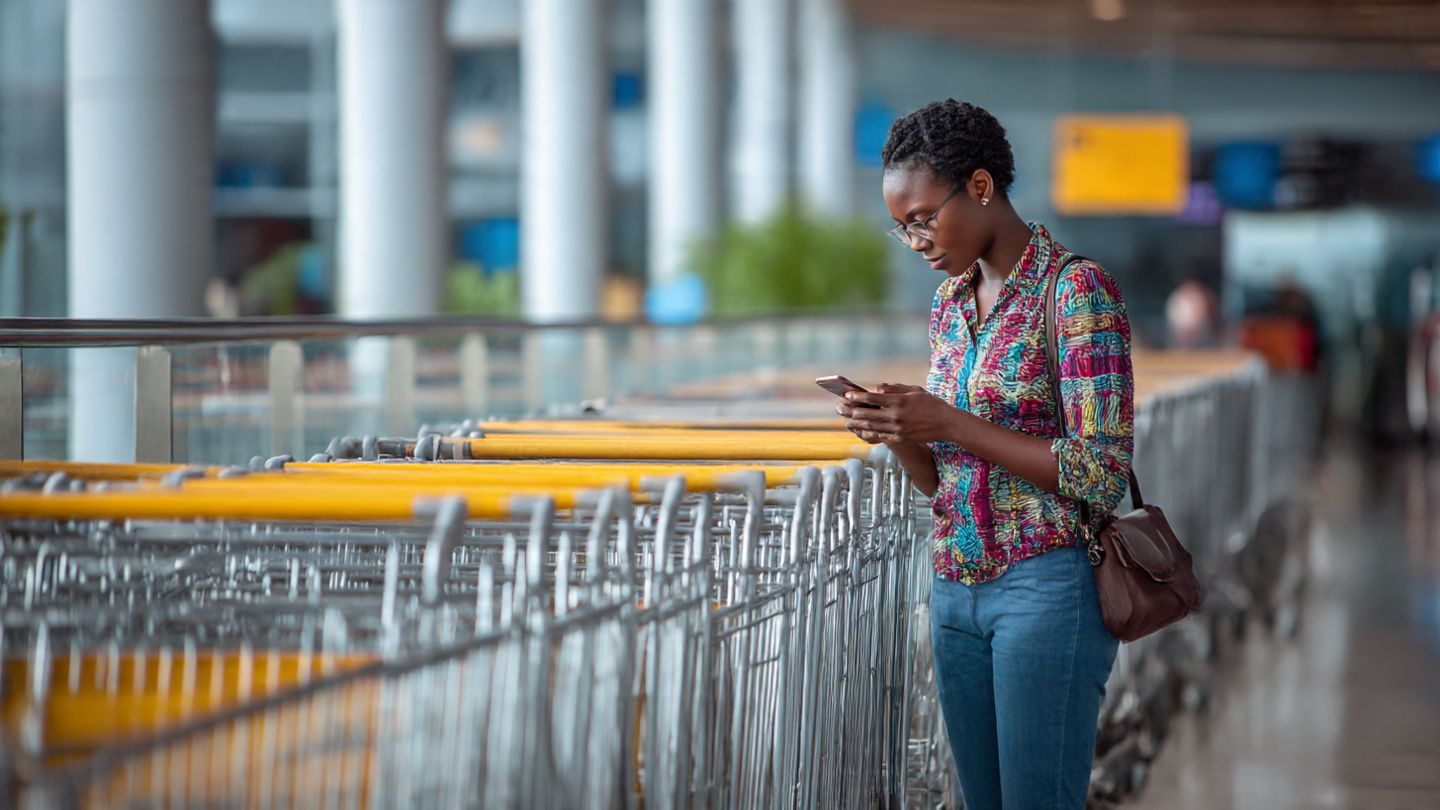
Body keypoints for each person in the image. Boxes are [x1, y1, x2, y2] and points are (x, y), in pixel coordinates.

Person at [836, 99, 1133, 809]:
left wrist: (950, 419)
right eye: (900, 226)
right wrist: (902, 429)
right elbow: (941, 483)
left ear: (978, 187)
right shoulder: (949, 304)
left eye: (922, 218)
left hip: (1046, 585)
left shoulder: (1075, 291)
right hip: (954, 586)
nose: (914, 240)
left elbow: (1101, 473)